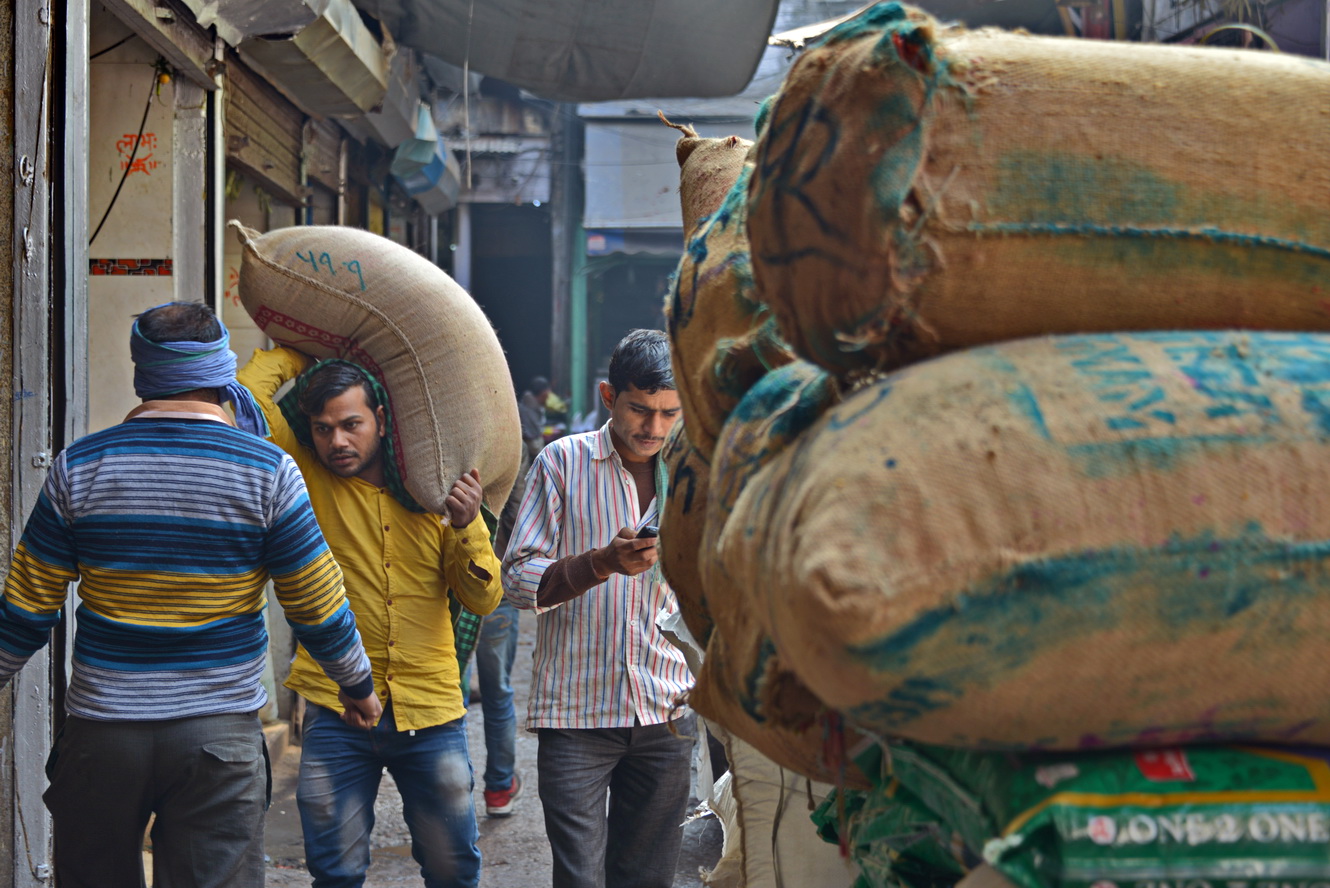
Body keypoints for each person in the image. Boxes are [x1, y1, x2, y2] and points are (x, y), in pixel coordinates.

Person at [0, 301, 380, 888]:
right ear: (220, 374)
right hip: (217, 738)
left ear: (141, 374)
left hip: (103, 735)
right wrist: (356, 686)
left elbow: (27, 608)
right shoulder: (267, 471)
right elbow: (316, 604)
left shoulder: (81, 466)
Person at [239, 345, 504, 888]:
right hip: (334, 705)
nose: (336, 441)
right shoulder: (303, 473)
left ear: (381, 420)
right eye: (322, 428)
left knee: (454, 869)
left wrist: (467, 524)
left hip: (429, 708)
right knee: (335, 873)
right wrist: (300, 349)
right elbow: (246, 398)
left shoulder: (433, 491)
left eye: (350, 424)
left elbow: (483, 599)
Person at [503, 329, 695, 888]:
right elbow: (517, 580)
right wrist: (600, 563)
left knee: (649, 876)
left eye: (668, 414)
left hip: (666, 711)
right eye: (640, 409)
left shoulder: (692, 476)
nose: (653, 428)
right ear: (610, 398)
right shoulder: (562, 463)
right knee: (581, 878)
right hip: (577, 716)